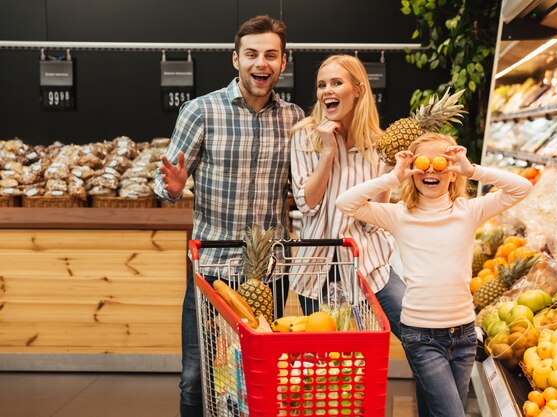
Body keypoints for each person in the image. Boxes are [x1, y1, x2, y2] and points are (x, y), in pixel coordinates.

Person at [154, 15, 304, 417]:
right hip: (212, 269)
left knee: (255, 373)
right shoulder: (200, 111)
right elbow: (163, 183)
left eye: (271, 55)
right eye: (252, 54)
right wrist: (172, 188)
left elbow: (302, 190)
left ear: (283, 62)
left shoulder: (294, 119)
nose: (262, 63)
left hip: (270, 271)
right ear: (234, 59)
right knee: (195, 375)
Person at [335, 132, 533, 417]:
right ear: (414, 172)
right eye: (422, 163)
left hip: (464, 336)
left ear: (452, 174)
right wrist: (394, 176)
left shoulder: (468, 210)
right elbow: (346, 203)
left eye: (440, 163)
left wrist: (472, 169)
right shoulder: (401, 214)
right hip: (421, 337)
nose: (430, 169)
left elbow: (522, 188)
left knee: (437, 410)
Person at [289, 54, 405, 338]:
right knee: (332, 361)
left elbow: (378, 217)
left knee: (414, 331)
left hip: (369, 263)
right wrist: (328, 151)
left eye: (336, 83)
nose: (326, 91)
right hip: (316, 268)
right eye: (321, 85)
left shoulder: (378, 145)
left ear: (358, 90)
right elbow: (307, 203)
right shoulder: (306, 137)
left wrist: (390, 175)